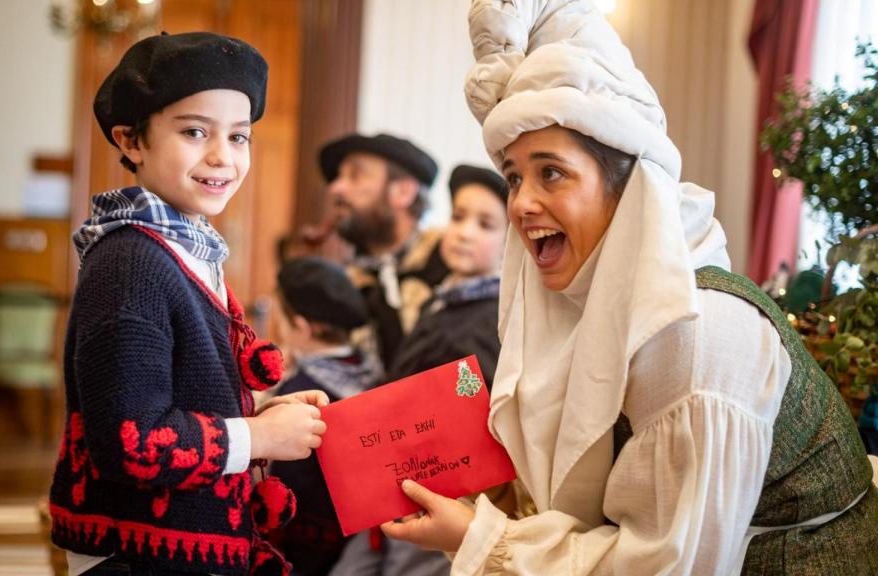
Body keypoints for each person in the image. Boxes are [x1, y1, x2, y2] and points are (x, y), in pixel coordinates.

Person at [381, 1, 878, 574]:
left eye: (551, 172)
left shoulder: (695, 337)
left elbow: (671, 564)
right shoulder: (581, 302)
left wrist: (481, 539)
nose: (520, 203)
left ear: (629, 189)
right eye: (513, 176)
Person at [47, 32, 328, 576]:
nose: (223, 156)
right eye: (195, 131)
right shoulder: (132, 260)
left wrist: (260, 416)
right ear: (131, 141)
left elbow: (177, 398)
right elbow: (132, 440)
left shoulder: (188, 247)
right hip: (139, 556)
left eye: (239, 136)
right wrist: (258, 436)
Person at [269, 257, 383, 575]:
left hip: (308, 546)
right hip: (360, 540)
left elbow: (283, 484)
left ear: (302, 327)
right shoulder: (372, 370)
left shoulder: (302, 392)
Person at [320, 133, 449, 371]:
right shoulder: (349, 285)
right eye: (338, 176)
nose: (335, 187)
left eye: (355, 175)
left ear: (402, 192)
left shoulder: (451, 268)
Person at [387, 164, 509, 387]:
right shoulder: (439, 299)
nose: (465, 233)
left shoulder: (494, 320)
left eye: (485, 225)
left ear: (509, 244)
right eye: (458, 217)